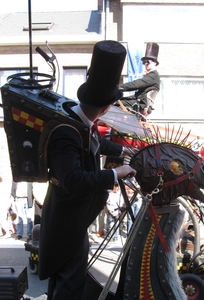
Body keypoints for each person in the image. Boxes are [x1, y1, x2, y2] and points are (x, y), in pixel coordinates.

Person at [38, 40, 137, 300]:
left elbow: (94, 143)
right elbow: (73, 180)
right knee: (70, 285)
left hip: (74, 221)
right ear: (105, 109)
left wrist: (122, 152)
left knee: (66, 283)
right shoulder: (67, 133)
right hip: (65, 225)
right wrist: (116, 174)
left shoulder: (81, 124)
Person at [117, 42, 160, 118]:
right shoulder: (152, 76)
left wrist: (117, 87)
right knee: (116, 99)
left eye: (148, 62)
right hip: (138, 102)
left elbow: (136, 84)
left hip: (140, 104)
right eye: (144, 62)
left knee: (112, 103)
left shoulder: (153, 75)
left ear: (155, 63)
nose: (145, 64)